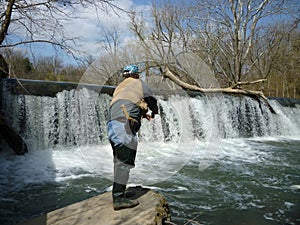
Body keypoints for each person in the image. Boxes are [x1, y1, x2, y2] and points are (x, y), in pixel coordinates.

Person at [107, 64, 158, 210]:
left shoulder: (120, 87)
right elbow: (151, 100)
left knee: (119, 161)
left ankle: (120, 193)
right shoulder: (139, 84)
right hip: (124, 126)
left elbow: (130, 104)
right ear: (136, 75)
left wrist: (143, 113)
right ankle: (118, 199)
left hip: (112, 124)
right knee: (124, 163)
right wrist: (154, 111)